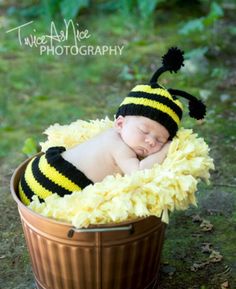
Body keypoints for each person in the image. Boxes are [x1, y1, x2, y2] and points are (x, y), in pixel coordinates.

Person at [18, 47, 206, 205]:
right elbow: (140, 173)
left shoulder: (113, 135)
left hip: (42, 170)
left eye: (160, 139)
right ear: (120, 123)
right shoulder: (119, 147)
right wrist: (165, 148)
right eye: (144, 131)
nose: (150, 141)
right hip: (54, 185)